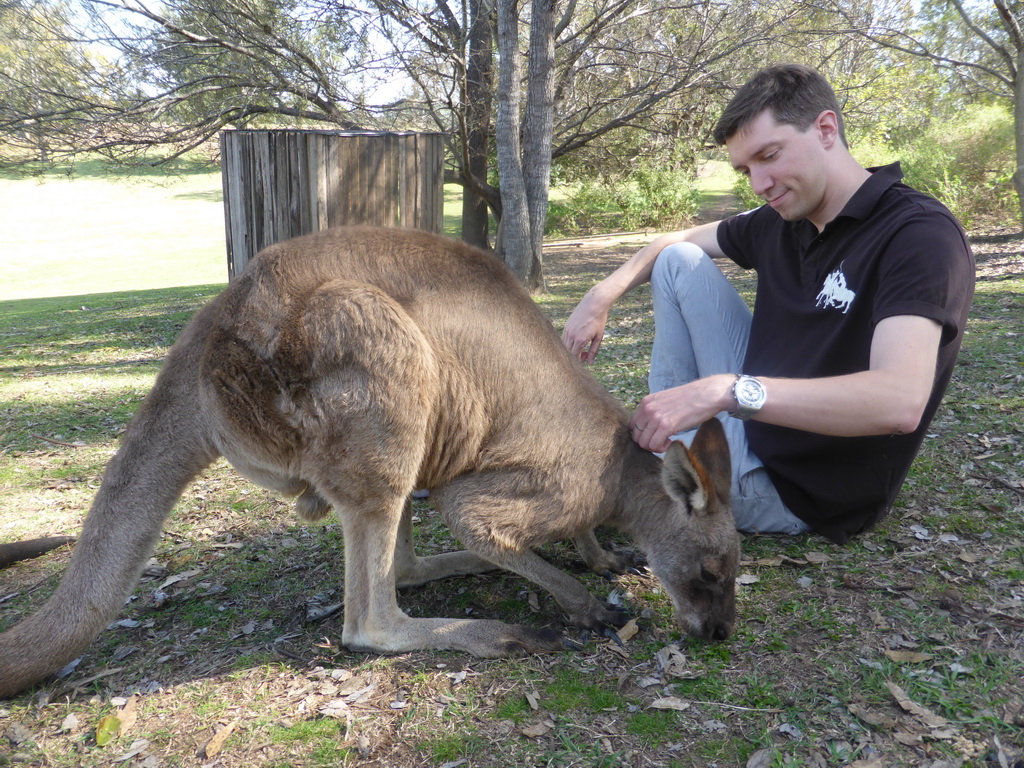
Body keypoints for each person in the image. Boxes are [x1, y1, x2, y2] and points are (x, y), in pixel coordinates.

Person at [561, 64, 975, 544]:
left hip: (797, 489)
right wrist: (600, 295)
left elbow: (898, 402)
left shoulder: (918, 234)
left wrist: (727, 391)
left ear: (825, 129)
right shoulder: (784, 219)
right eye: (745, 169)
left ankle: (665, 464)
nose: (758, 183)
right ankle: (666, 444)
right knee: (679, 260)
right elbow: (669, 242)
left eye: (769, 155)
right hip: (754, 425)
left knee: (603, 485)